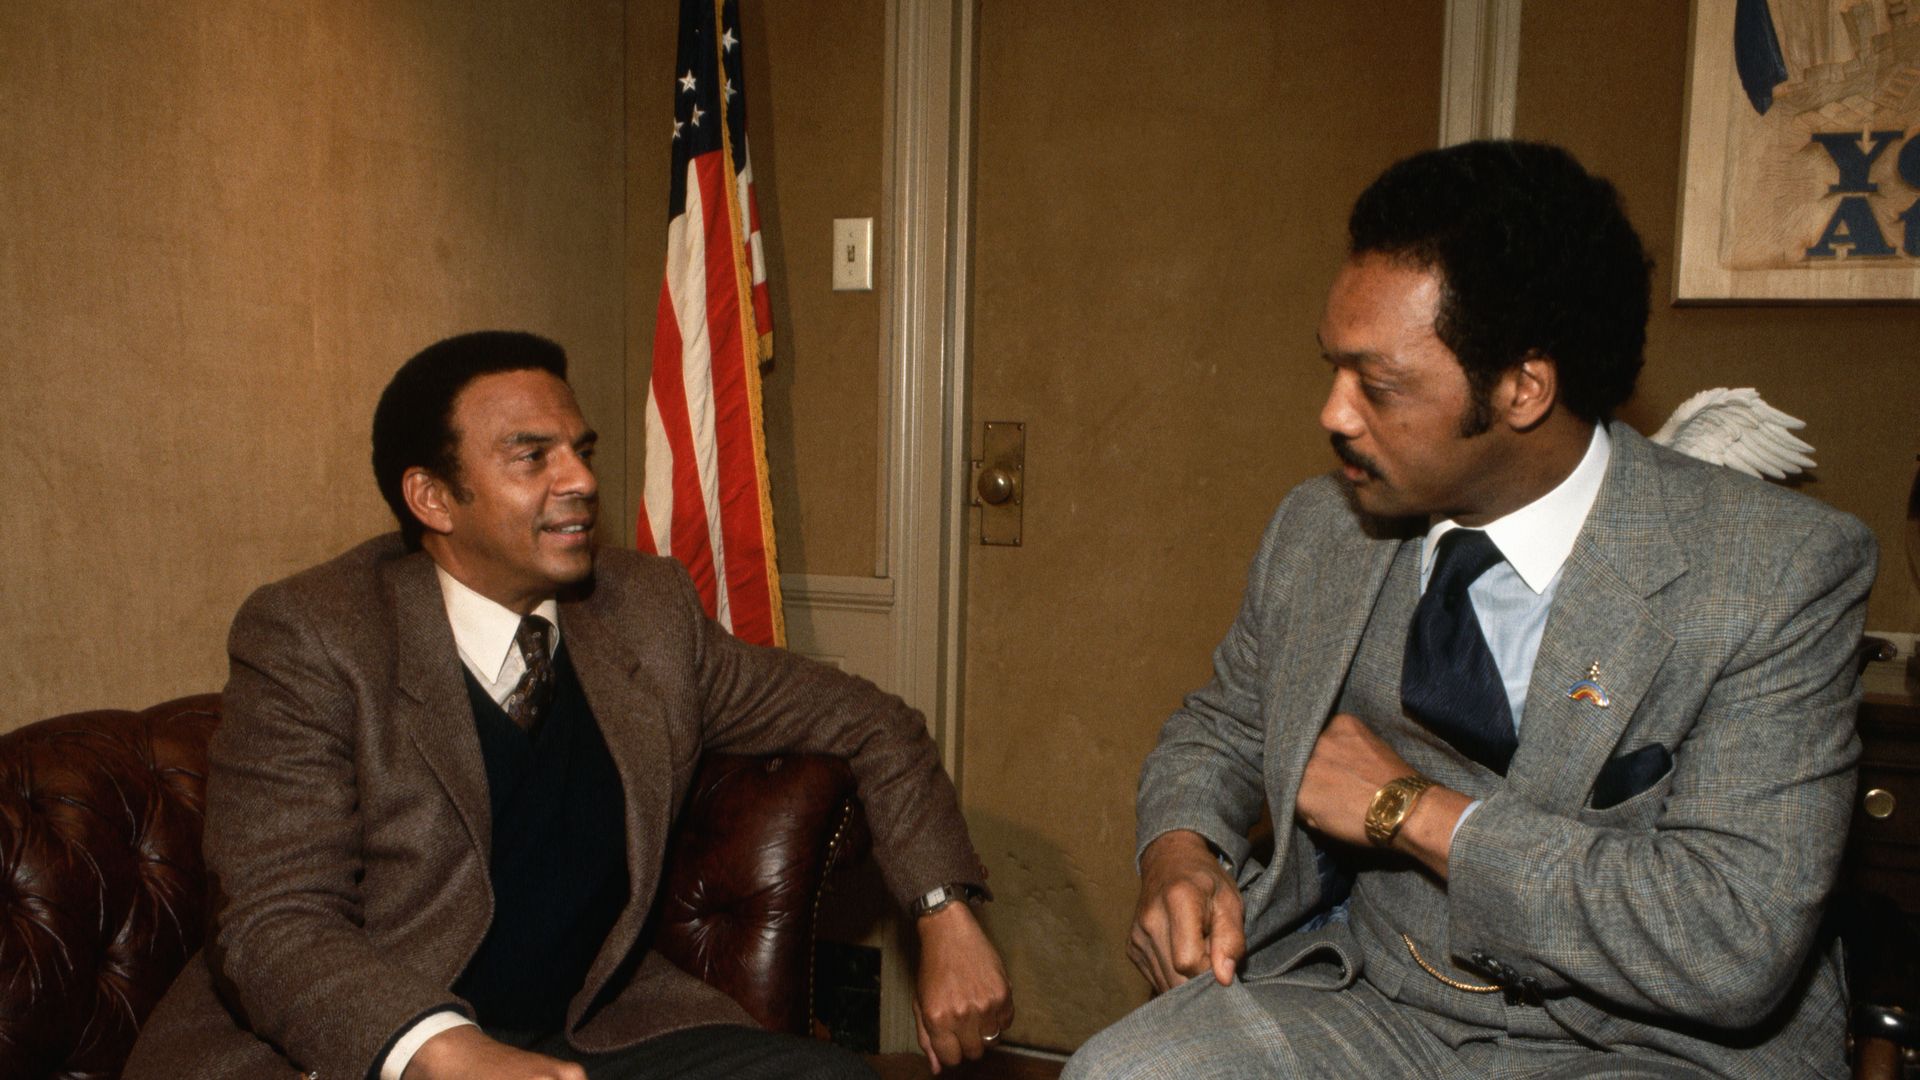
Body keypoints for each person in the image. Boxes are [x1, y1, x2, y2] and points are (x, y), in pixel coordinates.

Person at [1067, 141, 1875, 1078]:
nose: (1333, 413)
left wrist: (1406, 809)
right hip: (1376, 998)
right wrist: (1181, 851)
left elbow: (1733, 937)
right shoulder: (1320, 527)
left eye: (1378, 384)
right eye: (1333, 368)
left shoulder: (1776, 571)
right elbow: (1223, 725)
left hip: (1650, 1047)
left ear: (1523, 389)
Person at [127, 331, 1012, 1080]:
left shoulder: (646, 611)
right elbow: (276, 922)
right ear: (431, 497)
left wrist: (942, 908)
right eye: (531, 457)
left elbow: (871, 721)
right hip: (361, 1048)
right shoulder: (315, 635)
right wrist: (446, 1047)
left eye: (580, 449)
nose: (580, 480)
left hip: (593, 1032)